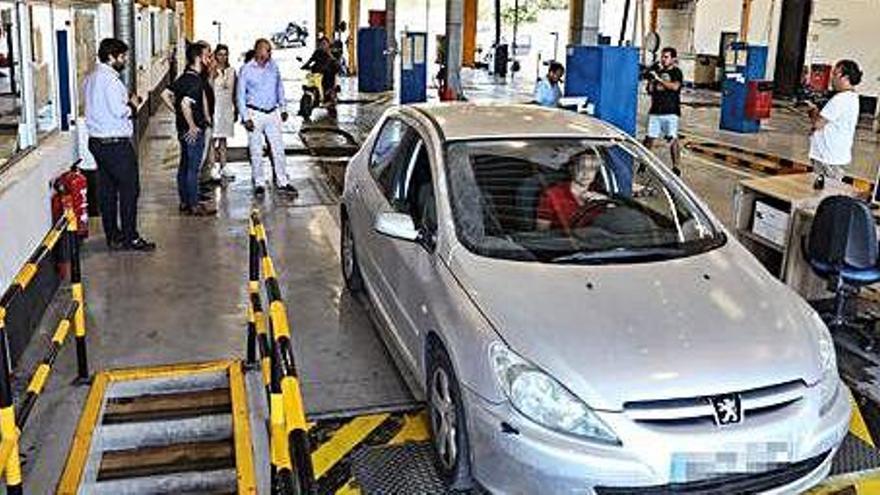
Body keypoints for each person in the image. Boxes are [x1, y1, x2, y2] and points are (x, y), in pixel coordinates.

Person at [83, 38, 156, 251]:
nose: (124, 61)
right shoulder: (112, 81)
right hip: (116, 145)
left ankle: (113, 235)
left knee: (107, 191)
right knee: (129, 189)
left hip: (97, 142)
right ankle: (130, 237)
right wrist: (133, 105)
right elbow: (119, 111)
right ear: (111, 57)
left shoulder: (91, 78)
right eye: (122, 56)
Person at [161, 42, 216, 216]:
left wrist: (178, 114)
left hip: (182, 128)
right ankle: (194, 204)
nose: (210, 58)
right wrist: (192, 124)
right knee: (193, 167)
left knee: (185, 165)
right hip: (193, 130)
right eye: (207, 55)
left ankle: (185, 201)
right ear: (198, 58)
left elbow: (164, 94)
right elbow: (185, 103)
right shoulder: (194, 81)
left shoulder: (185, 77)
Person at [237, 38, 298, 196]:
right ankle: (259, 182)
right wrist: (245, 118)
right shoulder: (246, 69)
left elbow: (280, 88)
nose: (270, 53)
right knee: (256, 150)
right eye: (267, 50)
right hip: (254, 114)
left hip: (272, 113)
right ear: (258, 51)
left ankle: (282, 181)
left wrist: (283, 107)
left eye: (270, 50)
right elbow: (240, 96)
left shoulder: (274, 67)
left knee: (278, 149)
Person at [808, 59, 862, 190]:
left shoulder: (840, 99)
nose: (831, 78)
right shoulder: (852, 98)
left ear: (845, 77)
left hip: (828, 158)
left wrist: (812, 110)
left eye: (835, 74)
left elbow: (818, 123)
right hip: (834, 156)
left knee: (824, 195)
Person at [536, 153, 608, 231]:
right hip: (563, 241)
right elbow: (542, 231)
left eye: (591, 169)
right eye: (581, 168)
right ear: (571, 169)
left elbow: (614, 223)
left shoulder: (601, 194)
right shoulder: (552, 194)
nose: (586, 174)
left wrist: (605, 201)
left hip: (596, 241)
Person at [644, 47, 683, 175]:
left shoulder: (676, 72)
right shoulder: (658, 72)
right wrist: (651, 79)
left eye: (666, 57)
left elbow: (675, 86)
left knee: (672, 138)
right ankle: (644, 163)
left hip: (671, 111)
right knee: (649, 138)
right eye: (662, 57)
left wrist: (659, 79)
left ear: (673, 59)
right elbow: (650, 90)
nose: (663, 59)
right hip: (655, 110)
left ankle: (676, 166)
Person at [209, 43, 237, 182]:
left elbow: (234, 91)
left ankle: (224, 165)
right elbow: (207, 89)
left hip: (226, 107)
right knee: (213, 138)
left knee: (223, 138)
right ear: (215, 55)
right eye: (220, 54)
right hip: (215, 107)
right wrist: (212, 73)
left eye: (225, 54)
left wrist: (236, 107)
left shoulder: (231, 71)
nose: (223, 57)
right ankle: (213, 166)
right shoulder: (212, 70)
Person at [301, 36, 339, 110]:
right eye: (321, 43)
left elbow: (336, 64)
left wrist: (330, 56)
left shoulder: (331, 53)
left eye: (325, 44)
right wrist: (305, 65)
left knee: (326, 82)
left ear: (328, 44)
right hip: (317, 71)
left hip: (328, 72)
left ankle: (328, 96)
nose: (323, 45)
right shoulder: (317, 52)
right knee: (310, 80)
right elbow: (311, 59)